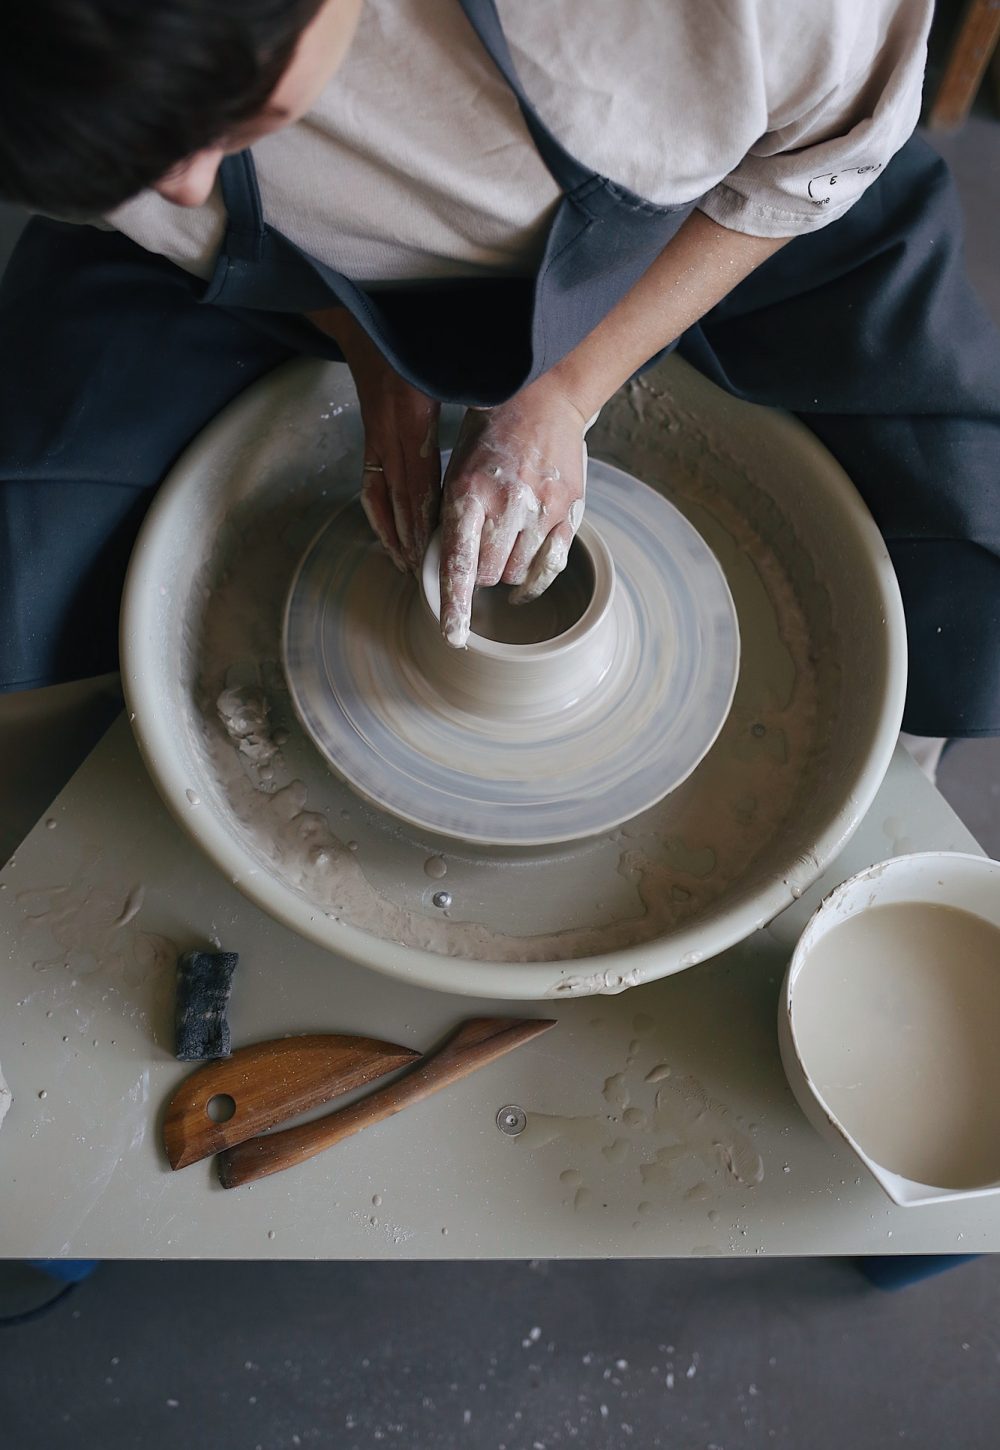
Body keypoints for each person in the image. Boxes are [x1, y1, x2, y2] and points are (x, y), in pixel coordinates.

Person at [0, 0, 997, 742]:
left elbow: (808, 165)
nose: (177, 184)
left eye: (224, 116)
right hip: (289, 278)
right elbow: (176, 209)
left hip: (713, 225)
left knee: (969, 609)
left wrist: (567, 386)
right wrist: (367, 342)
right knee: (21, 587)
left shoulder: (746, 17)